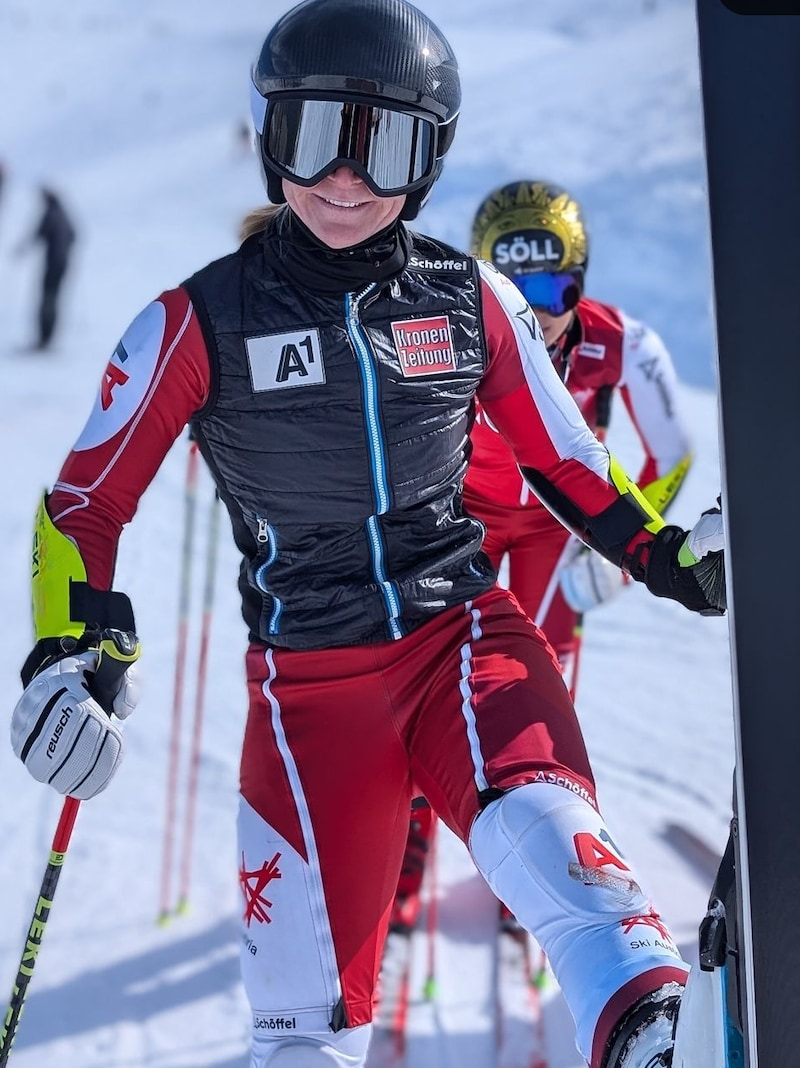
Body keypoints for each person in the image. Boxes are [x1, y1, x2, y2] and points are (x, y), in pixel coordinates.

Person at [9, 2, 725, 1067]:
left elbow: (564, 457)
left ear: (427, 158)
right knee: (301, 1037)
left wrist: (664, 555)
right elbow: (83, 503)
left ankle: (658, 1037)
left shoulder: (466, 296)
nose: (343, 179)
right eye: (311, 139)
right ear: (267, 140)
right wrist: (69, 651)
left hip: (464, 641)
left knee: (583, 890)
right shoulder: (199, 320)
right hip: (308, 696)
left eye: (379, 143)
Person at [384, 179, 695, 951]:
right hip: (470, 523)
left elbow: (675, 454)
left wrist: (622, 558)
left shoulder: (621, 345)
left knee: (536, 694)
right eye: (517, 288)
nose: (542, 309)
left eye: (557, 285)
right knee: (434, 683)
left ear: (581, 280)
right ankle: (406, 863)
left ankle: (542, 871)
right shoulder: (452, 327)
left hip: (563, 532)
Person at [16, 185, 76, 351]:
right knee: (53, 299)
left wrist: (22, 249)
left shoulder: (51, 215)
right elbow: (74, 234)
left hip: (52, 264)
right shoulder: (64, 215)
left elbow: (38, 234)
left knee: (47, 300)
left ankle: (44, 339)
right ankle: (48, 338)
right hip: (62, 264)